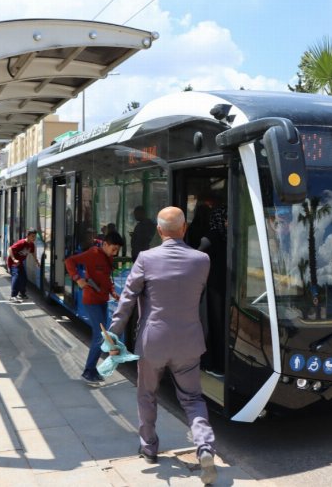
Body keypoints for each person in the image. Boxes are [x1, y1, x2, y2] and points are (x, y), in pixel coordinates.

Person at [109, 206, 217, 485]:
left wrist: (112, 335)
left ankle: (149, 448)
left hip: (153, 342)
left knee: (147, 395)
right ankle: (205, 447)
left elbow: (127, 299)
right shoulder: (202, 260)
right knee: (192, 399)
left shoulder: (146, 258)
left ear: (159, 230)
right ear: (184, 229)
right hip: (189, 342)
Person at [65, 231, 123, 385]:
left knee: (101, 335)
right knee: (100, 335)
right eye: (113, 249)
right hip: (91, 300)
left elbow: (106, 278)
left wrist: (113, 293)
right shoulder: (93, 253)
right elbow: (69, 261)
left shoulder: (109, 257)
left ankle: (92, 370)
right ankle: (88, 371)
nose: (115, 253)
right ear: (105, 244)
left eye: (117, 250)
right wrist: (77, 279)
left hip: (103, 300)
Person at [197, 205, 227, 375]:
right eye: (225, 219)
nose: (228, 222)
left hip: (222, 287)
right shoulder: (210, 238)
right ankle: (212, 363)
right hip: (212, 290)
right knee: (213, 323)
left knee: (220, 324)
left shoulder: (225, 235)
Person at [7, 228, 39, 302]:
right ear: (28, 236)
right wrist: (14, 259)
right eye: (32, 236)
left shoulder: (31, 244)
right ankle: (13, 296)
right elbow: (10, 249)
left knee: (24, 278)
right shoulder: (21, 243)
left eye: (35, 236)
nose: (34, 238)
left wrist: (36, 261)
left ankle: (22, 294)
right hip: (13, 263)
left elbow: (33, 253)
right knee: (16, 276)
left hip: (20, 263)